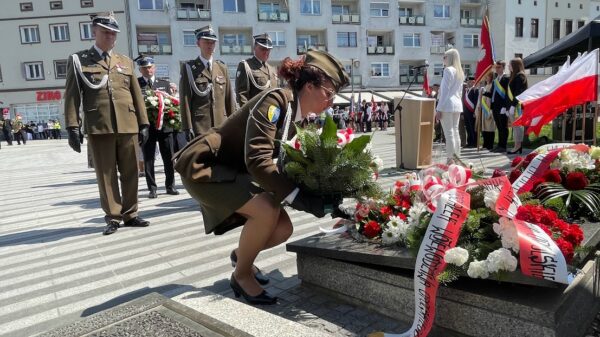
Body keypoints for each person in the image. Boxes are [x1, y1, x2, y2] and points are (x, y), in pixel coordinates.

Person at [173, 49, 349, 305]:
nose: (331, 101)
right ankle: (242, 275)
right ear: (309, 86)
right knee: (267, 209)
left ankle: (241, 255)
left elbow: (291, 165)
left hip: (235, 171)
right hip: (207, 168)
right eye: (329, 93)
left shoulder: (298, 116)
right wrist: (299, 197)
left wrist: (327, 197)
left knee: (283, 228)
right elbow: (257, 160)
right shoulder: (276, 102)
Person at [63, 12, 151, 235]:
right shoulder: (79, 60)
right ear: (94, 32)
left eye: (113, 33)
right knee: (106, 173)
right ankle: (113, 216)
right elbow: (72, 96)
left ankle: (131, 213)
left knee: (131, 171)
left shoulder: (125, 61)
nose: (110, 36)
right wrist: (73, 126)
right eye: (105, 32)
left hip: (128, 124)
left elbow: (136, 94)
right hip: (100, 125)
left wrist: (144, 122)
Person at [180, 25, 235, 140]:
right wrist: (187, 126)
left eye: (213, 42)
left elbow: (229, 98)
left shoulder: (221, 67)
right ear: (198, 43)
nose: (210, 45)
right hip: (200, 126)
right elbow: (185, 99)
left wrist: (234, 122)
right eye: (206, 42)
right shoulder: (189, 68)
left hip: (222, 125)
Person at [136, 55, 179, 198]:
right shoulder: (136, 85)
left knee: (169, 158)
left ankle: (170, 186)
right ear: (140, 69)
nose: (148, 70)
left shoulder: (165, 84)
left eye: (150, 67)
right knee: (148, 159)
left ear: (154, 68)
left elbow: (172, 104)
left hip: (165, 128)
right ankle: (152, 188)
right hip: (147, 128)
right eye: (144, 68)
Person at [435, 48, 464, 164]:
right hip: (457, 104)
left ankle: (450, 159)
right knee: (455, 132)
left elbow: (445, 91)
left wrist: (439, 108)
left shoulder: (448, 70)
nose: (443, 59)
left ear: (450, 58)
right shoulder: (460, 71)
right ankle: (456, 157)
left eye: (445, 57)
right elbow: (460, 92)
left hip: (447, 105)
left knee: (449, 133)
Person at [235, 33, 278, 106]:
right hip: (255, 114)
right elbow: (242, 94)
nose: (266, 52)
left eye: (268, 49)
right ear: (254, 47)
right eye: (263, 48)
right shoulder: (246, 66)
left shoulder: (272, 69)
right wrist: (248, 115)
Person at [485, 60, 510, 153]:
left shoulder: (506, 78)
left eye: (499, 67)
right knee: (499, 126)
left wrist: (505, 106)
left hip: (502, 107)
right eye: (496, 67)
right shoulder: (495, 80)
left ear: (503, 67)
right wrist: (484, 93)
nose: (497, 69)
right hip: (495, 106)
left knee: (503, 127)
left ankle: (503, 146)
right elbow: (492, 93)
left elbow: (508, 94)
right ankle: (499, 145)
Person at [506, 58, 528, 154]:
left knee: (518, 127)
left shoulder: (520, 76)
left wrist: (513, 106)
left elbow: (518, 92)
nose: (508, 66)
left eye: (510, 65)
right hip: (513, 106)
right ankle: (517, 145)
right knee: (515, 127)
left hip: (517, 107)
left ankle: (518, 146)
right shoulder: (514, 76)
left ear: (515, 66)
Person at [475, 72, 496, 150]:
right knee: (484, 128)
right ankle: (485, 144)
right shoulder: (486, 86)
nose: (486, 78)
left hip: (489, 108)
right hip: (484, 108)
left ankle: (490, 145)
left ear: (491, 77)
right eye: (486, 77)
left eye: (488, 76)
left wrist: (490, 109)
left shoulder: (492, 85)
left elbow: (491, 97)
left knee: (490, 127)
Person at [462, 77, 478, 148]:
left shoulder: (475, 90)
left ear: (473, 82)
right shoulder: (466, 91)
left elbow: (476, 102)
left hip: (472, 112)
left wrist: (475, 112)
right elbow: (463, 102)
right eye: (468, 81)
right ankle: (469, 142)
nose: (468, 83)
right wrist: (462, 113)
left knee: (472, 127)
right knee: (468, 127)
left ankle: (474, 143)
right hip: (466, 112)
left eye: (470, 81)